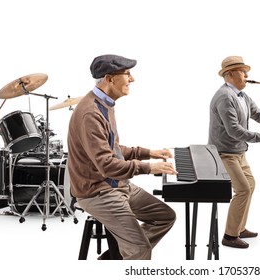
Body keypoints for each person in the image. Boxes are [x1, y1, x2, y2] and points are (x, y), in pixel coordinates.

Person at [67, 54, 177, 260]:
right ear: (109, 79)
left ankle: (118, 257)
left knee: (165, 216)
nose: (132, 79)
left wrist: (147, 152)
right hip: (97, 192)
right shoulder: (90, 113)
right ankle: (131, 253)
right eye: (127, 74)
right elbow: (106, 165)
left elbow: (112, 148)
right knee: (140, 249)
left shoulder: (103, 104)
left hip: (116, 184)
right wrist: (149, 167)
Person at [208, 56, 260, 249]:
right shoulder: (224, 96)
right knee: (243, 189)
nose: (247, 75)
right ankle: (229, 236)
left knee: (250, 185)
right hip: (224, 152)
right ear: (229, 74)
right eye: (242, 71)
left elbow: (259, 117)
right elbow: (233, 130)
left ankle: (239, 227)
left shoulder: (242, 95)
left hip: (239, 152)